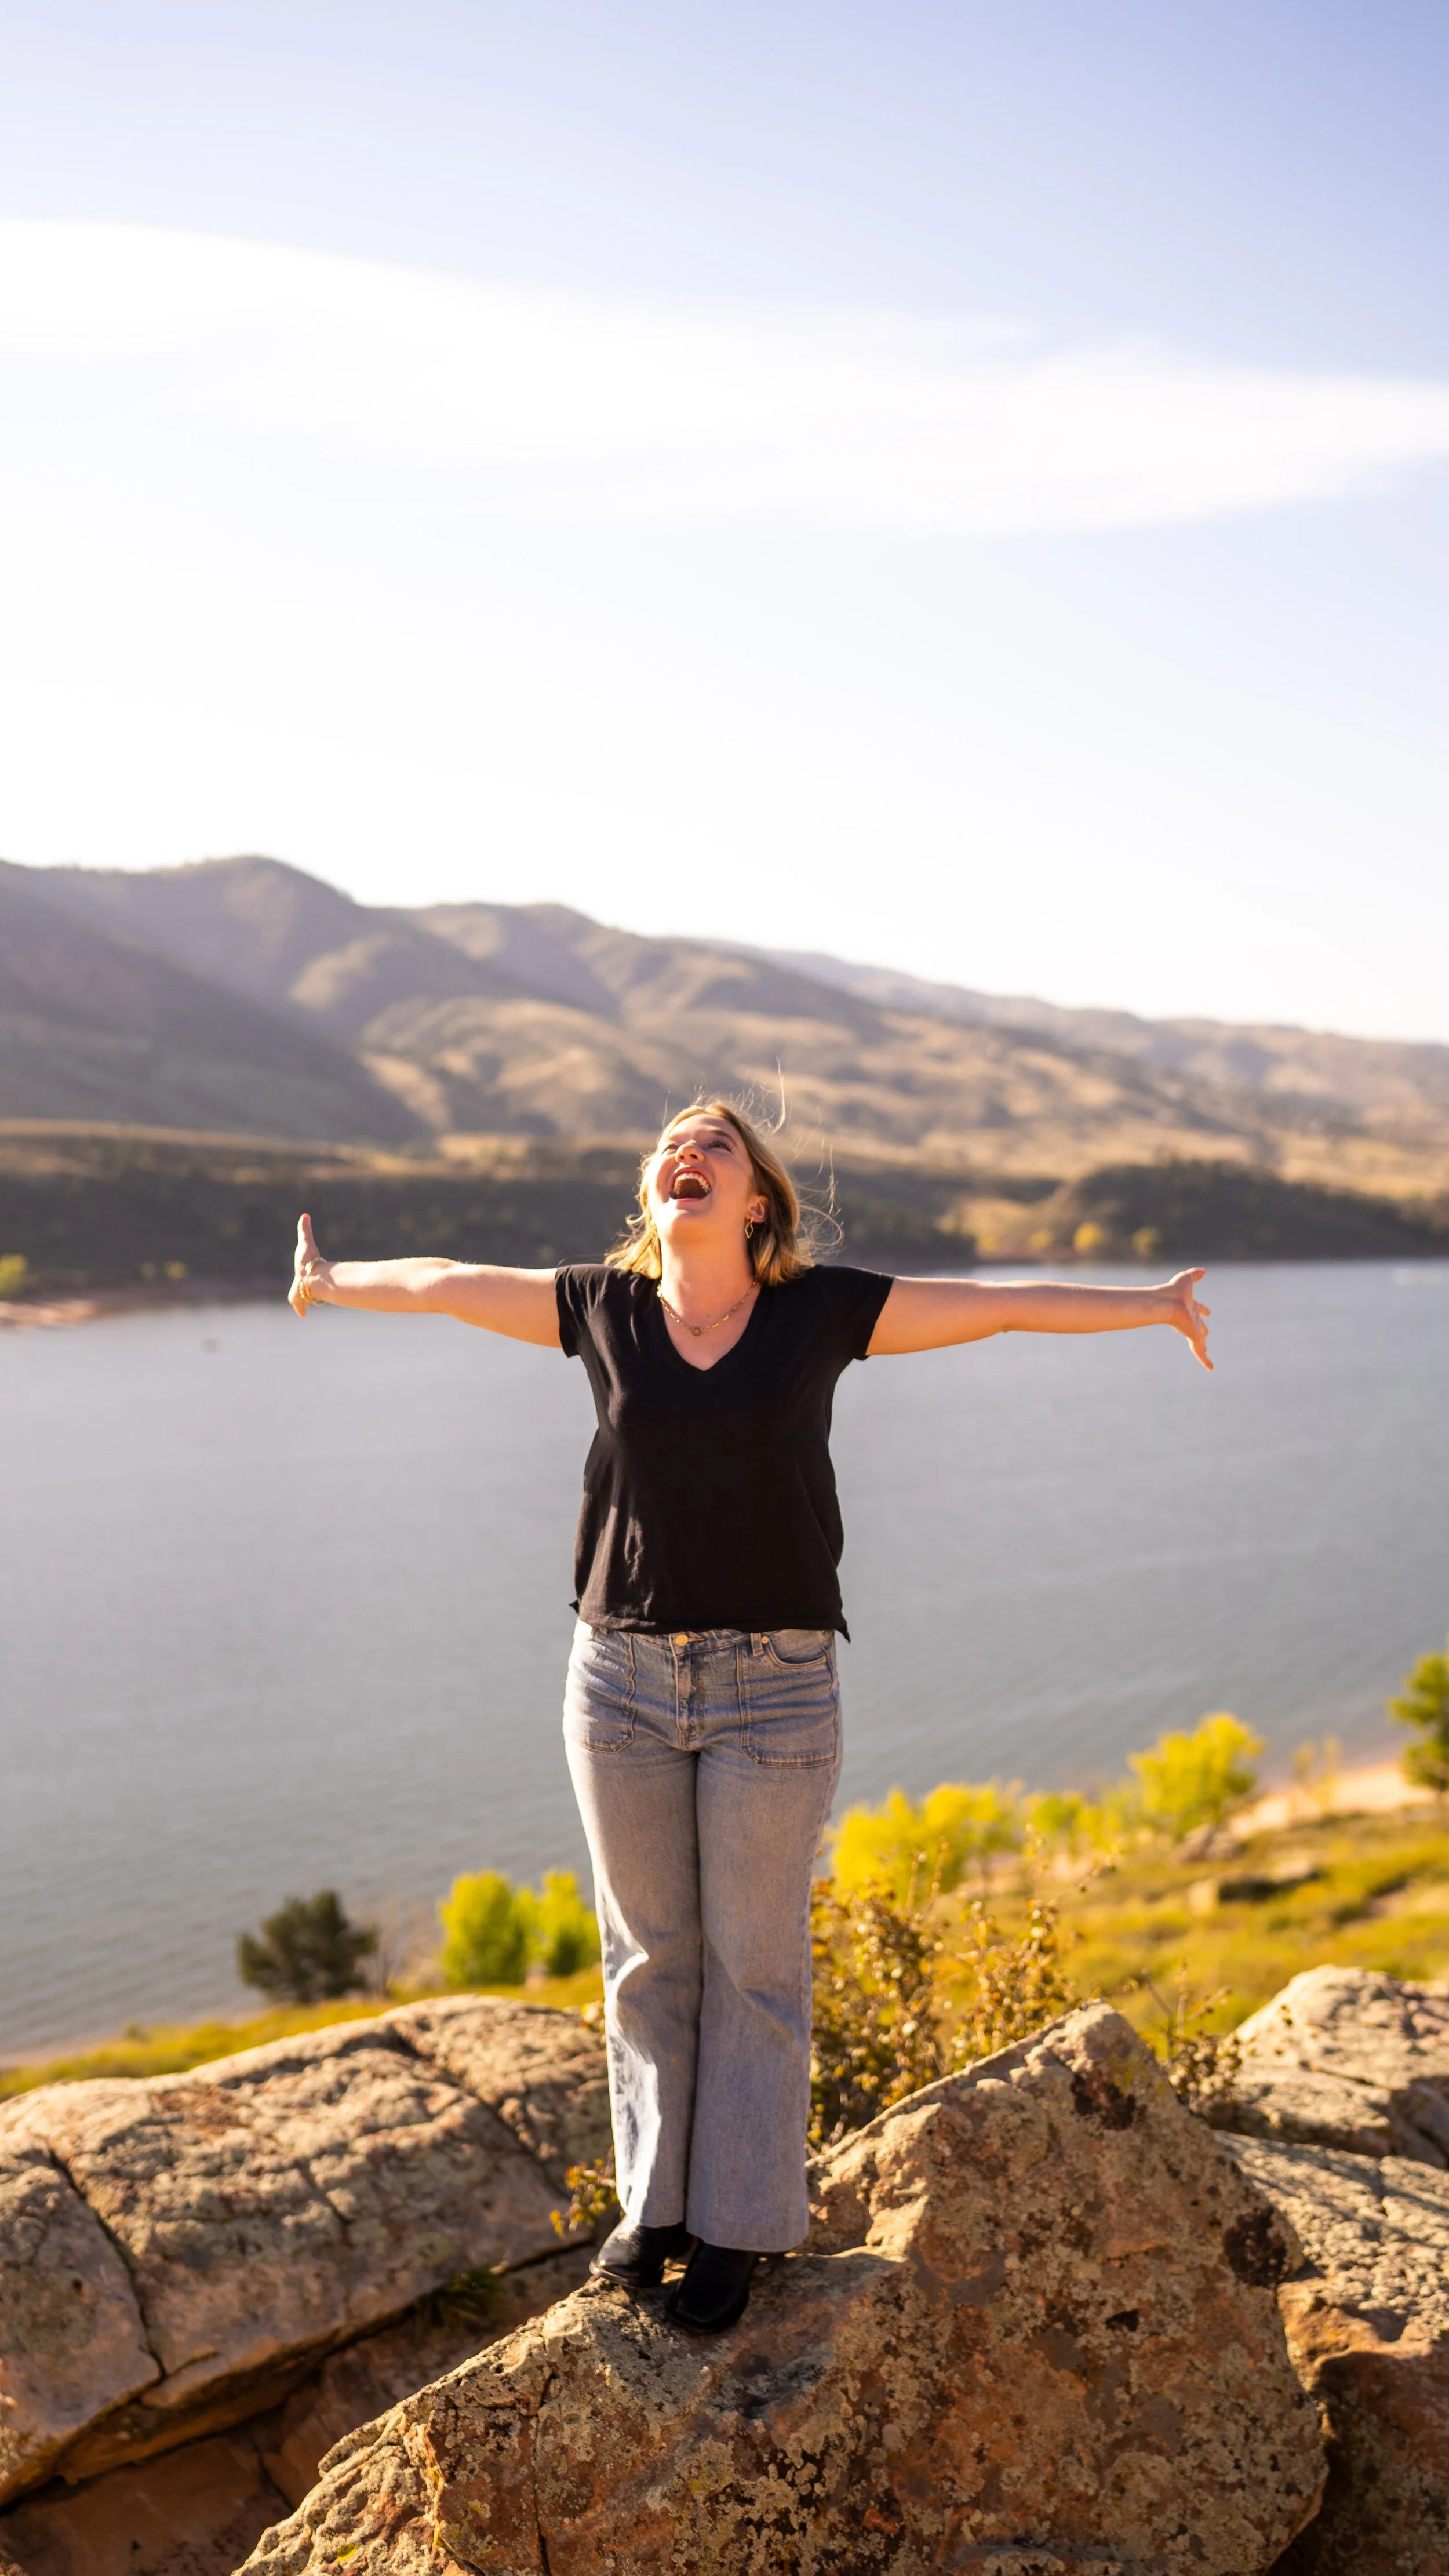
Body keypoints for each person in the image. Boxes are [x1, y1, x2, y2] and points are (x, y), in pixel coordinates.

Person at [289, 1099, 1210, 2334]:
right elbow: (450, 1284)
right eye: (674, 1142)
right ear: (652, 1190)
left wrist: (1151, 1303)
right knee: (646, 1959)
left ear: (757, 1200)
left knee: (754, 1967)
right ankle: (654, 2210)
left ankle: (737, 2224)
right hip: (618, 1678)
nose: (690, 1152)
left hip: (774, 1685)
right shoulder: (601, 1307)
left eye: (716, 1143)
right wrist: (334, 1279)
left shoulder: (817, 1312)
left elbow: (993, 1304)